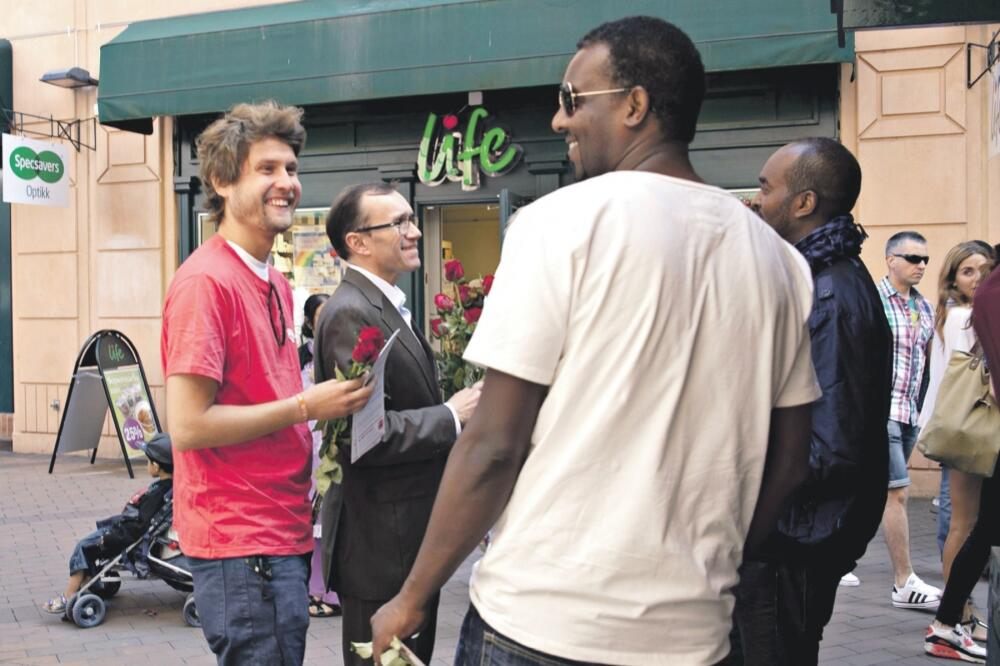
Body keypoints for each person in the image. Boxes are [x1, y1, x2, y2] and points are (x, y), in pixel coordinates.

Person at [369, 16, 820, 665]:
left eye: (572, 99)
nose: (559, 120)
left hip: (543, 623)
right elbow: (789, 460)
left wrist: (412, 595)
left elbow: (494, 445)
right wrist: (712, 565)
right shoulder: (777, 259)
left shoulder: (558, 224)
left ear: (636, 105)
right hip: (694, 635)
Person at [161, 101, 373, 666]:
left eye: (292, 169)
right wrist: (307, 405)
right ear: (221, 181)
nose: (287, 183)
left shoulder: (277, 283)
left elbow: (263, 395)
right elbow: (188, 425)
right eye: (267, 169)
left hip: (281, 533)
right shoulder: (205, 282)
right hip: (240, 542)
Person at [724, 138, 892, 664]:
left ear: (804, 204)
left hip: (791, 538)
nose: (757, 199)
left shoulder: (831, 293)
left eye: (766, 187)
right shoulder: (813, 279)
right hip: (790, 532)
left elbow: (830, 448)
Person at [316, 182, 482, 666]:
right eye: (401, 223)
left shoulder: (381, 304)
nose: (413, 232)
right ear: (358, 241)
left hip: (402, 539)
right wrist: (452, 414)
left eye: (411, 220)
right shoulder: (351, 312)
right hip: (379, 546)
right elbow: (365, 438)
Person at [924, 260, 999, 663]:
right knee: (968, 524)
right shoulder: (960, 315)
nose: (974, 278)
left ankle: (954, 618)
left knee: (979, 528)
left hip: (974, 424)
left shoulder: (977, 303)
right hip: (971, 426)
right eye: (965, 270)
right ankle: (951, 620)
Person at [877, 230, 941, 610]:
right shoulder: (873, 300)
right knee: (896, 491)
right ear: (890, 260)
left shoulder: (925, 307)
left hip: (908, 413)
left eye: (925, 260)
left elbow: (927, 364)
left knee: (871, 492)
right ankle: (904, 581)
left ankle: (835, 561)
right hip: (881, 412)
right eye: (912, 258)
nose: (920, 266)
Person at [42, 433, 174, 614]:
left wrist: (109, 539)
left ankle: (69, 596)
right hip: (124, 528)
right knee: (91, 543)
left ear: (157, 466)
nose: (146, 465)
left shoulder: (157, 495)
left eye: (148, 461)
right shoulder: (168, 487)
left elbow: (137, 529)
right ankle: (90, 578)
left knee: (82, 547)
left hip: (122, 537)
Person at [297, 293, 342, 619]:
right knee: (312, 521)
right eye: (320, 315)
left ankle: (333, 591)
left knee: (334, 518)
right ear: (310, 321)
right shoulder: (300, 357)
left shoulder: (342, 351)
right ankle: (314, 588)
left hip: (335, 443)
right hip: (307, 445)